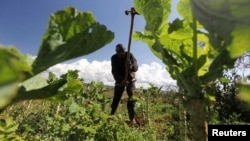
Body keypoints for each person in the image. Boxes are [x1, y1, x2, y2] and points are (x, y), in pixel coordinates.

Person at [110, 43, 138, 124]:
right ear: (116, 52)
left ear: (125, 50)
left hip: (130, 79)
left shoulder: (130, 55)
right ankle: (111, 116)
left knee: (132, 98)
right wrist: (122, 80)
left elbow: (136, 67)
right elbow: (114, 71)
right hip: (120, 80)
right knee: (116, 98)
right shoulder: (114, 58)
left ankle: (132, 119)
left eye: (123, 51)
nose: (121, 53)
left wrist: (131, 66)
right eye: (119, 52)